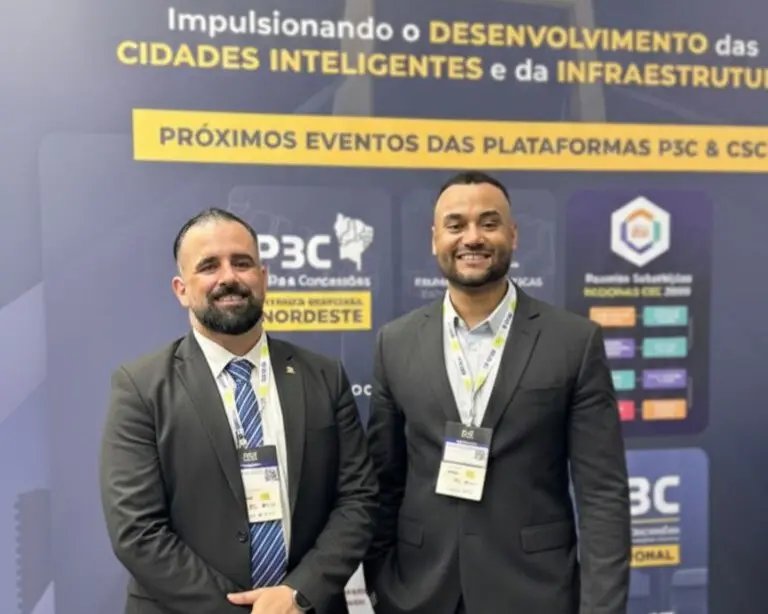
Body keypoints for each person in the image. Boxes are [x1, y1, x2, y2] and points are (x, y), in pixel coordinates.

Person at [364, 171, 630, 613]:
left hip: (535, 592)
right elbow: (383, 481)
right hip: (419, 593)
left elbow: (602, 495)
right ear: (434, 239)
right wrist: (381, 582)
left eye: (489, 223)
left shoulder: (573, 342)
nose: (472, 237)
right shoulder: (395, 342)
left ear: (513, 234)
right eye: (455, 225)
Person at [100, 208, 377, 614]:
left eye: (242, 263)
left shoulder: (323, 376)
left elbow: (358, 500)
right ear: (181, 289)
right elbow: (137, 530)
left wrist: (298, 593)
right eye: (209, 266)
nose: (228, 277)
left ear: (263, 278)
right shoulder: (141, 387)